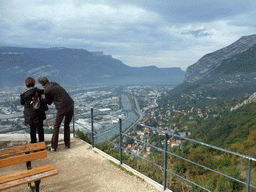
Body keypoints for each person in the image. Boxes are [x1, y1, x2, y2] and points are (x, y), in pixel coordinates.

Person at [38, 76, 74, 151]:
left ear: (41, 84)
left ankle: (53, 147)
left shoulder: (47, 90)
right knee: (66, 125)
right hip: (71, 104)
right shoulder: (54, 83)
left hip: (62, 107)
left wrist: (41, 100)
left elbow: (49, 102)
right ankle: (67, 144)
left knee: (56, 126)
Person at [20, 77, 46, 143]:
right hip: (38, 112)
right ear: (34, 83)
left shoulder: (23, 93)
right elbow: (46, 92)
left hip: (29, 113)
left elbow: (22, 103)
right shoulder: (37, 90)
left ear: (26, 84)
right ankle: (41, 144)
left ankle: (34, 144)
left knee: (32, 129)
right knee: (40, 129)